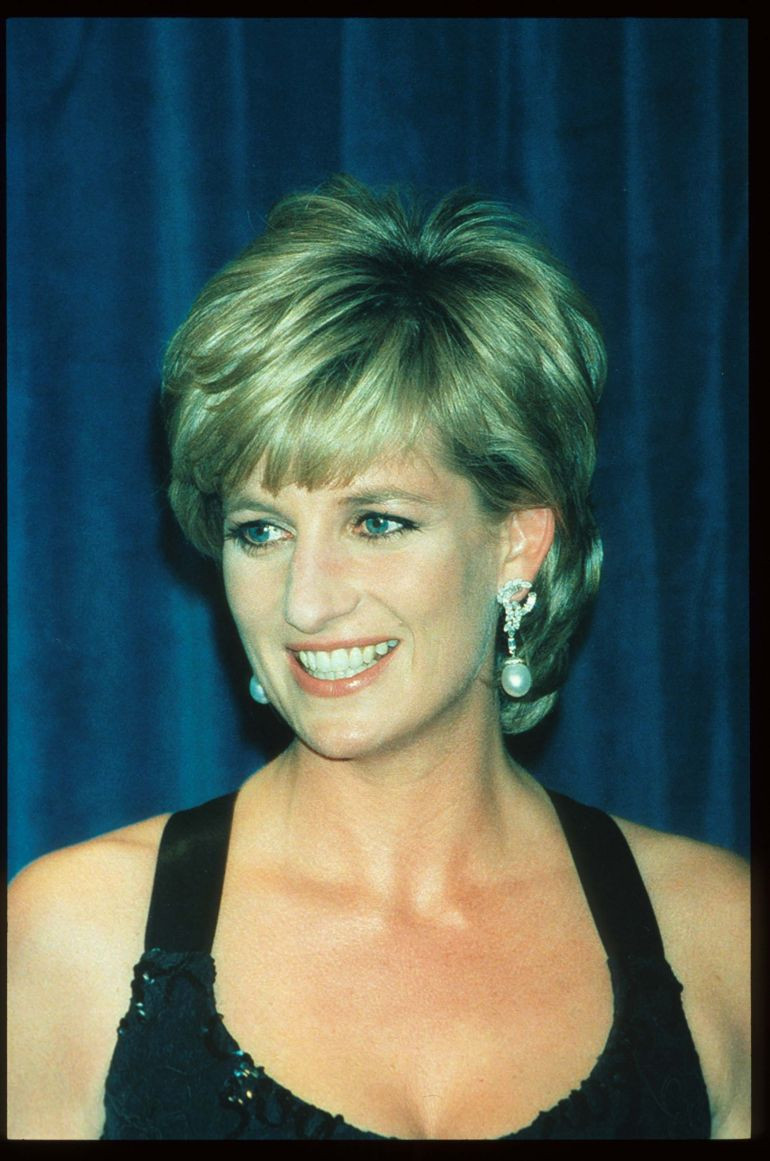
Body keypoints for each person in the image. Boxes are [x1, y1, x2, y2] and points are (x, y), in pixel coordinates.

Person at [8, 176, 750, 1140]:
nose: (305, 601)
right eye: (261, 530)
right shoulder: (79, 933)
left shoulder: (719, 935)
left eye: (377, 521)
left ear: (518, 541)